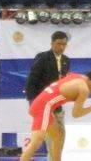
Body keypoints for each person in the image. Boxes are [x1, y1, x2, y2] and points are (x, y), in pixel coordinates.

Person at [19, 71, 91, 161]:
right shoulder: (84, 89)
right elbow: (76, 114)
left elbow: (66, 84)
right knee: (36, 142)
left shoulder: (77, 76)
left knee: (58, 135)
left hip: (42, 105)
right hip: (43, 108)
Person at [25, 31, 71, 161]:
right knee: (52, 139)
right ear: (52, 43)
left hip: (58, 105)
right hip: (43, 105)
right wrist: (33, 102)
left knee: (60, 137)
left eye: (64, 44)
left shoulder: (66, 60)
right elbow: (32, 80)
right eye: (59, 43)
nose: (62, 47)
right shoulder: (42, 57)